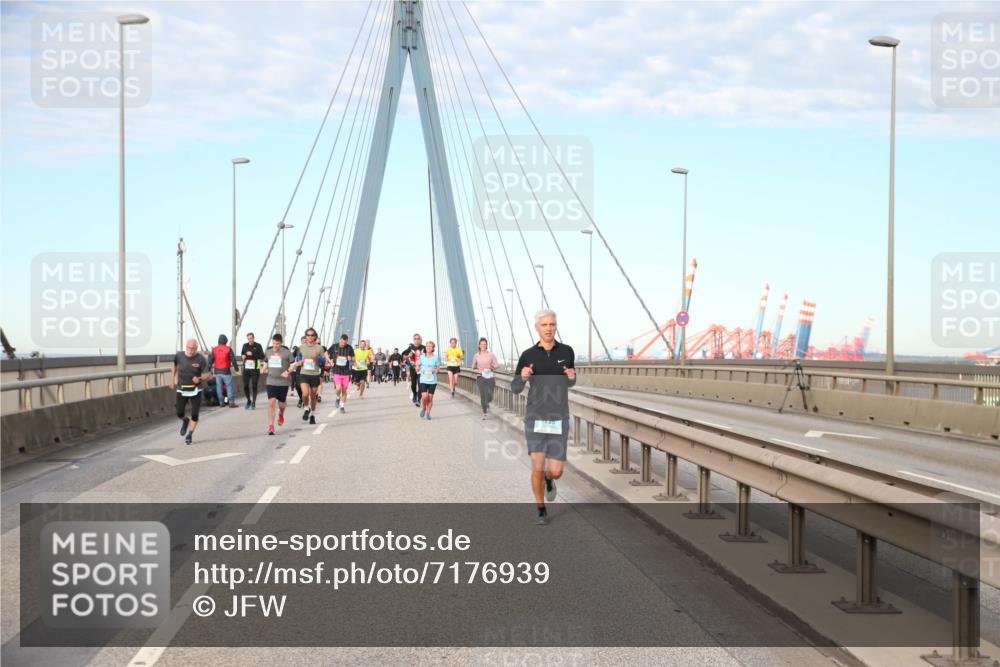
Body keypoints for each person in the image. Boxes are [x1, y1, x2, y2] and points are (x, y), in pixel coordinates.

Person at [511, 310, 576, 525]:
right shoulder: (528, 355)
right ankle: (541, 509)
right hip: (535, 417)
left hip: (559, 417)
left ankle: (550, 479)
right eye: (544, 324)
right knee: (537, 467)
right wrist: (522, 377)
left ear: (556, 326)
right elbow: (515, 387)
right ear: (537, 328)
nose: (548, 328)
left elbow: (569, 382)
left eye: (552, 324)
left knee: (555, 471)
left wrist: (572, 378)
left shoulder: (567, 351)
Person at [170, 339, 211, 445]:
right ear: (186, 346)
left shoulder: (201, 359)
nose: (191, 350)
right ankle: (185, 420)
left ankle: (190, 434)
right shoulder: (179, 356)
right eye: (189, 347)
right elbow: (174, 366)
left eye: (193, 348)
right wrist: (172, 380)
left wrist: (199, 378)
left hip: (196, 390)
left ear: (196, 348)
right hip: (182, 389)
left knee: (195, 414)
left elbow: (208, 374)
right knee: (179, 413)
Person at [290, 328, 328, 425]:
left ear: (315, 337)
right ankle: (306, 408)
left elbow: (323, 361)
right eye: (308, 335)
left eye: (312, 335)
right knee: (305, 394)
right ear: (306, 337)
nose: (310, 337)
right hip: (304, 374)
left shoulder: (319, 348)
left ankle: (313, 415)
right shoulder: (301, 347)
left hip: (314, 374)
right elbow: (298, 359)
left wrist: (317, 358)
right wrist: (299, 362)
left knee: (313, 396)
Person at [260, 333, 292, 435]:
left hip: (283, 382)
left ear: (281, 343)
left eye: (277, 344)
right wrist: (263, 369)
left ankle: (281, 414)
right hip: (271, 381)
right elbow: (266, 362)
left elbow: (293, 364)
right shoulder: (268, 352)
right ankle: (271, 426)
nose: (275, 346)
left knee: (282, 404)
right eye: (274, 343)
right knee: (271, 403)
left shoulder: (287, 352)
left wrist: (287, 371)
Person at [471, 337, 501, 419]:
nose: (483, 346)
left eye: (484, 344)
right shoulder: (476, 355)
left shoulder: (491, 355)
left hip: (490, 376)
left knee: (490, 396)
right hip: (481, 376)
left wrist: (491, 367)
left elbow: (497, 365)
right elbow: (473, 366)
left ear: (486, 345)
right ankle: (484, 413)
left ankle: (487, 402)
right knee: (483, 395)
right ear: (479, 345)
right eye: (481, 344)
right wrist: (477, 367)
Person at [211, 334, 239, 408]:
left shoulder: (214, 349)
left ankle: (221, 402)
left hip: (217, 371)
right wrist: (236, 368)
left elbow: (210, 360)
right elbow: (233, 360)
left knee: (219, 387)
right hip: (226, 371)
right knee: (229, 386)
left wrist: (209, 369)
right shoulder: (228, 349)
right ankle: (231, 402)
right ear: (226, 341)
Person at [240, 332, 265, 410]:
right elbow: (242, 354)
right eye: (248, 339)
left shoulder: (258, 346)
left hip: (255, 369)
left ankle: (253, 402)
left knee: (254, 385)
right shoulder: (244, 345)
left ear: (254, 338)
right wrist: (243, 356)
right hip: (246, 369)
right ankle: (248, 400)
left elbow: (262, 356)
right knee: (245, 386)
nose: (250, 340)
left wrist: (252, 354)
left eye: (251, 338)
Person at [330, 333, 354, 414]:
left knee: (344, 391)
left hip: (346, 373)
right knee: (338, 388)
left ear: (347, 341)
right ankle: (337, 397)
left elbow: (353, 358)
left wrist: (351, 358)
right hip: (337, 371)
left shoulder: (349, 348)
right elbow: (326, 353)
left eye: (344, 343)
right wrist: (330, 361)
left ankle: (342, 406)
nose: (343, 344)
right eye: (342, 342)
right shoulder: (334, 346)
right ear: (340, 340)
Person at [417, 340, 441, 420]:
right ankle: (424, 407)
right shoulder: (422, 357)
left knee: (430, 398)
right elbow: (418, 364)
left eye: (430, 346)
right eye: (427, 346)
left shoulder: (436, 357)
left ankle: (428, 413)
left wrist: (436, 370)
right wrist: (417, 367)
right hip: (423, 379)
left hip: (433, 380)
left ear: (433, 348)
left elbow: (438, 367)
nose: (428, 347)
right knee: (424, 396)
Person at [401, 333, 425, 406]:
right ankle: (415, 394)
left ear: (420, 340)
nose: (416, 340)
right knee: (413, 385)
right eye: (415, 339)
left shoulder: (424, 348)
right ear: (413, 340)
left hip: (422, 369)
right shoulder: (410, 348)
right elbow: (403, 357)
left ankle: (419, 400)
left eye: (418, 339)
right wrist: (408, 355)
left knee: (420, 385)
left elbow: (430, 356)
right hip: (413, 368)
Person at [291, 335, 306, 408]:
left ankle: (304, 400)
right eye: (303, 341)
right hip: (298, 369)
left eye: (305, 341)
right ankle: (301, 398)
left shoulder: (310, 349)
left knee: (305, 386)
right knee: (297, 386)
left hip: (306, 369)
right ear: (301, 342)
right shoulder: (298, 349)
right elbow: (291, 357)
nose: (304, 343)